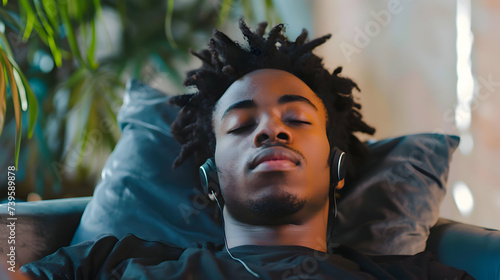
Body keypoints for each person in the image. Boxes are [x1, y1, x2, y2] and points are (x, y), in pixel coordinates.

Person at [20, 19, 473, 279]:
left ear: (336, 168)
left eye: (296, 119)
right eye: (240, 124)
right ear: (210, 180)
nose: (271, 129)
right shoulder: (120, 263)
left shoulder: (406, 276)